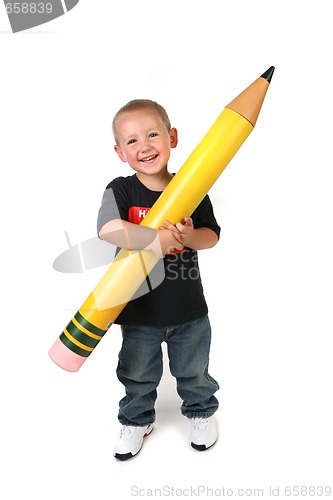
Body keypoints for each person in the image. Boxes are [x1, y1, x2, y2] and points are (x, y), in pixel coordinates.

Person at [97, 99, 220, 460]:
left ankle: (201, 412)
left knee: (194, 369)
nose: (145, 146)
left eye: (153, 134)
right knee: (136, 372)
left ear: (173, 137)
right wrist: (158, 240)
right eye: (132, 141)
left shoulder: (192, 186)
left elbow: (211, 235)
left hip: (188, 308)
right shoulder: (121, 189)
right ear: (120, 152)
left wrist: (187, 237)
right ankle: (136, 420)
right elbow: (108, 229)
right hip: (138, 308)